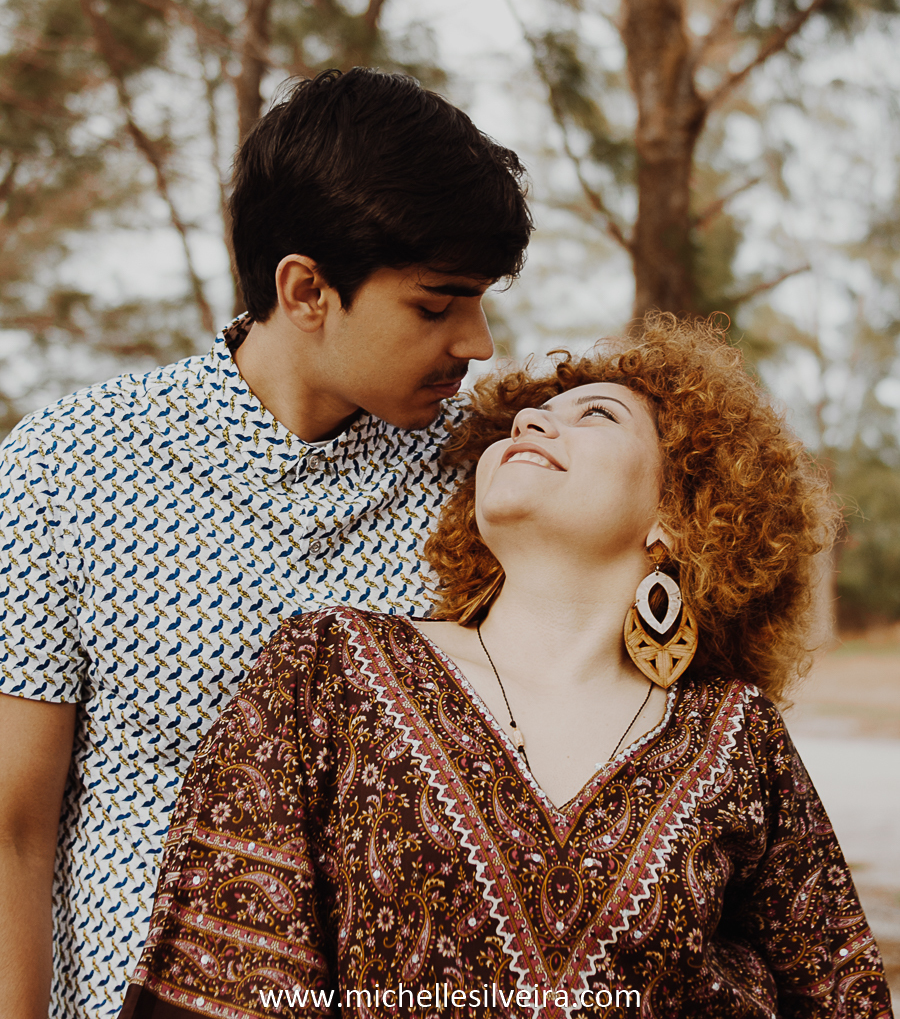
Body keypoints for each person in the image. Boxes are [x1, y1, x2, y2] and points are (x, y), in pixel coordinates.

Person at [120, 315, 892, 1019]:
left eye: (596, 414)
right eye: (528, 417)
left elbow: (838, 994)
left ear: (675, 513)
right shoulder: (331, 667)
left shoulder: (734, 730)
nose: (530, 421)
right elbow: (219, 976)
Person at [0, 67, 532, 1019]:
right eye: (437, 303)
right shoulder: (67, 466)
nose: (479, 341)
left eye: (481, 299)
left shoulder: (483, 487)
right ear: (306, 288)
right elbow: (12, 830)